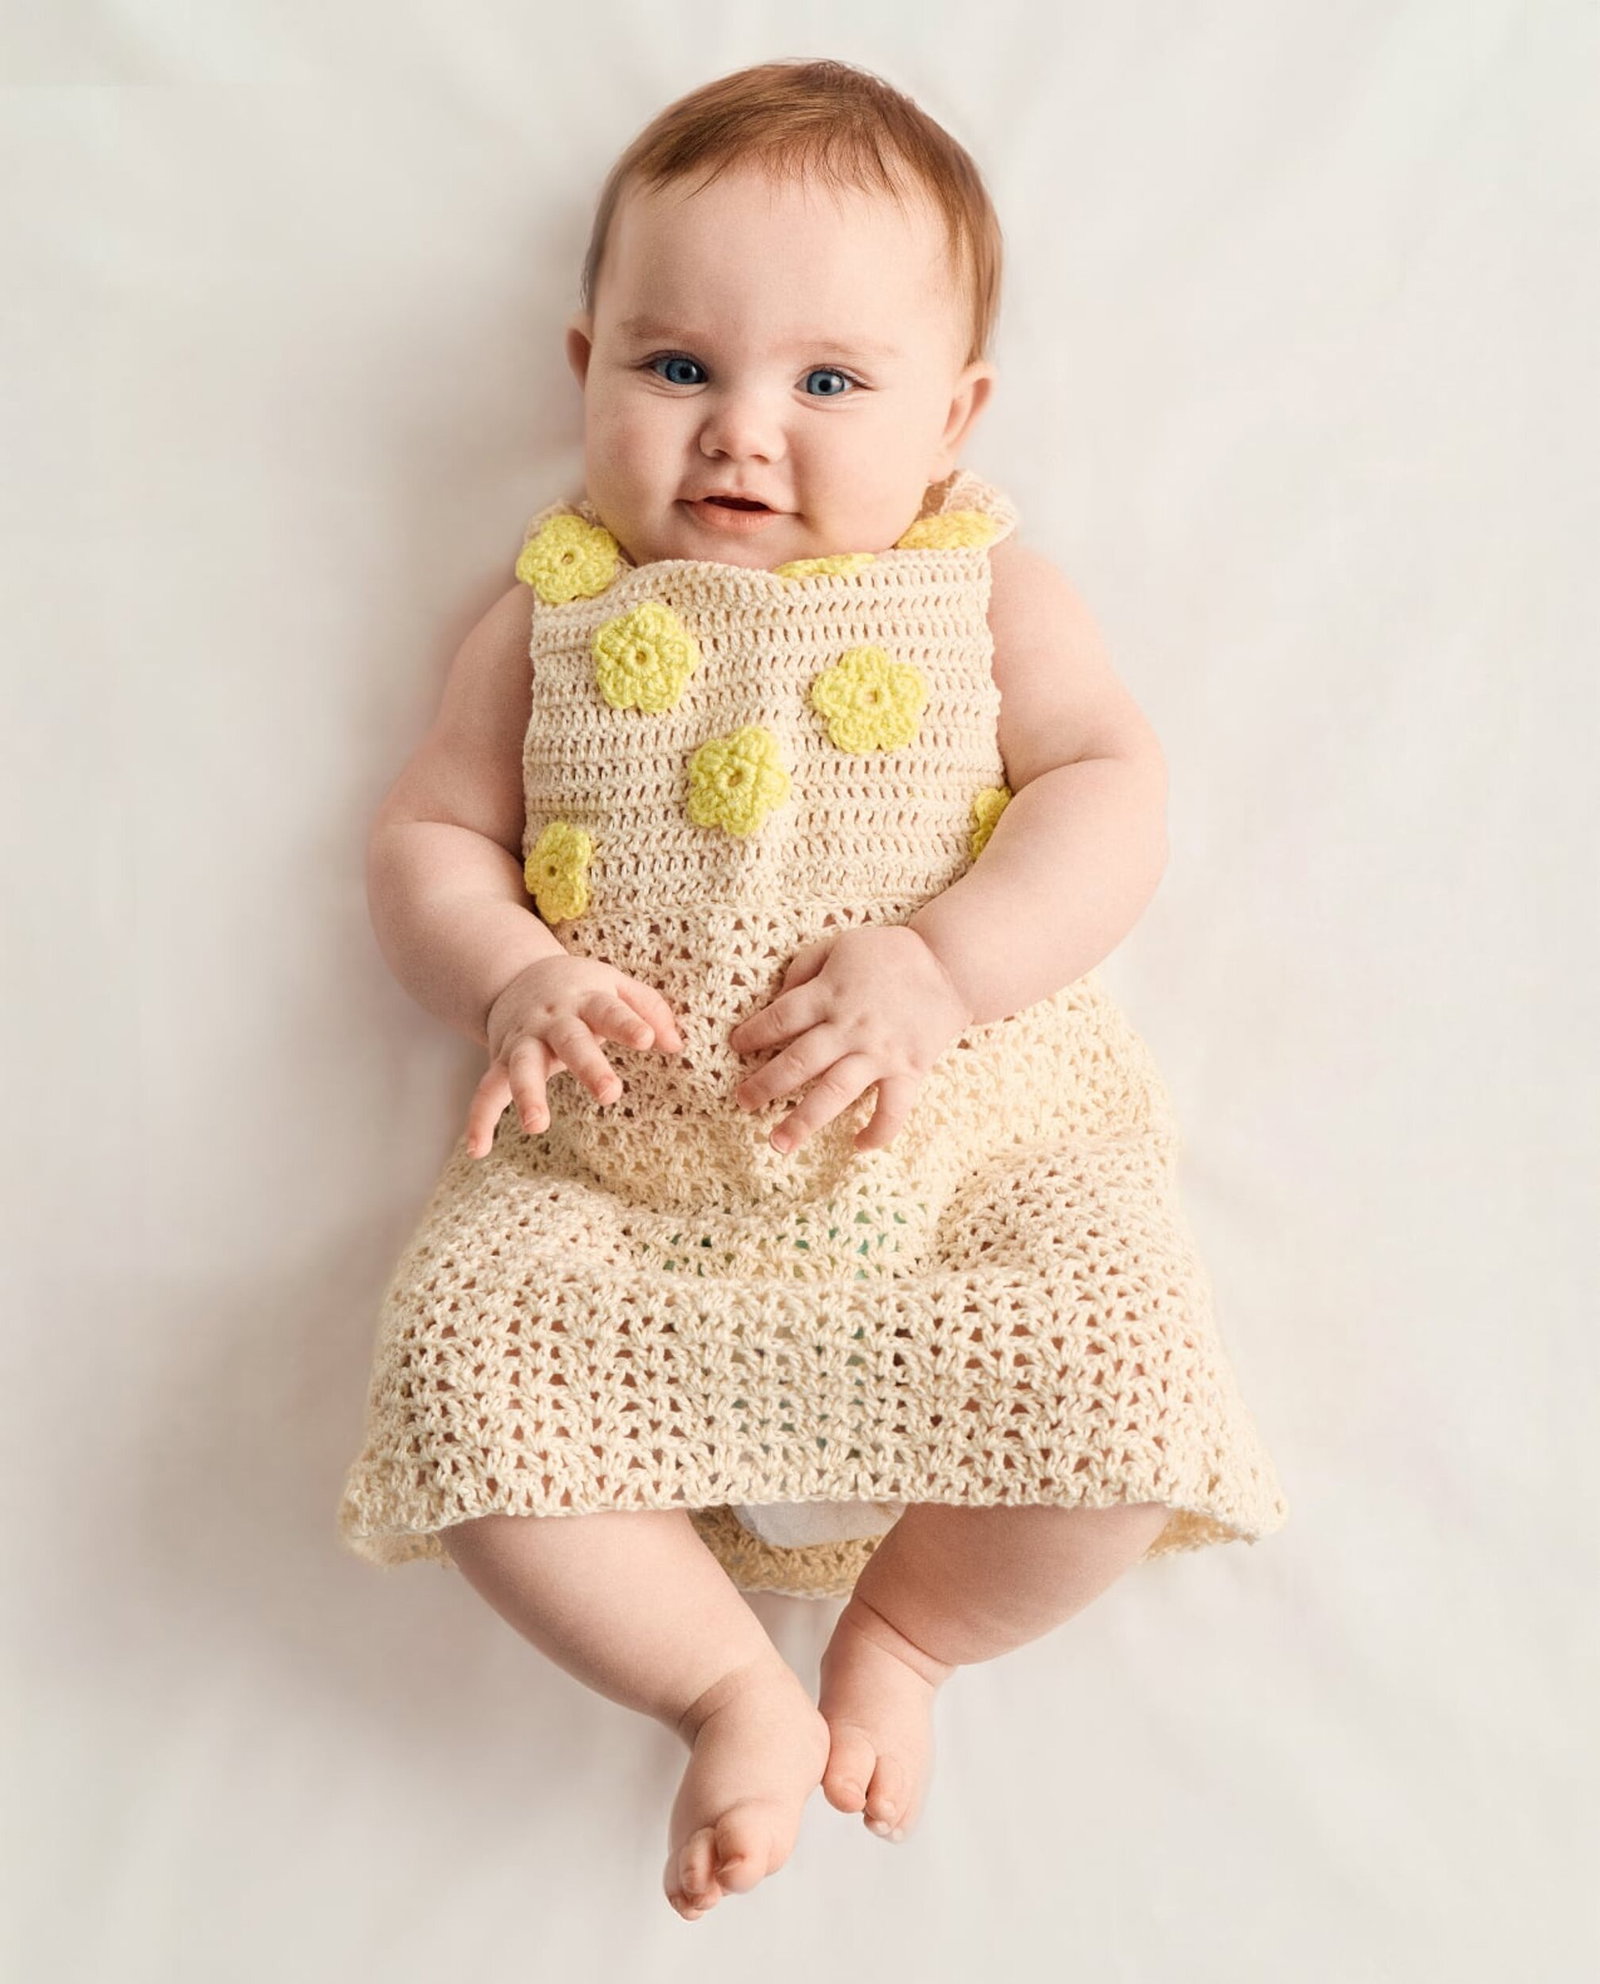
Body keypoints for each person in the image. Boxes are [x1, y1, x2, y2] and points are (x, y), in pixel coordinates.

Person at [337, 57, 1288, 1921]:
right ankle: (721, 1687)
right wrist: (509, 969)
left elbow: (1112, 792)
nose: (740, 434)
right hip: (624, 1175)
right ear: (586, 366)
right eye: (676, 366)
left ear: (955, 416)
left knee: (1125, 1378)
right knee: (460, 1372)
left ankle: (908, 1636)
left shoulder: (983, 595)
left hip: (960, 1160)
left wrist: (945, 964)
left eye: (829, 384)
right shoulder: (549, 613)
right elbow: (427, 836)